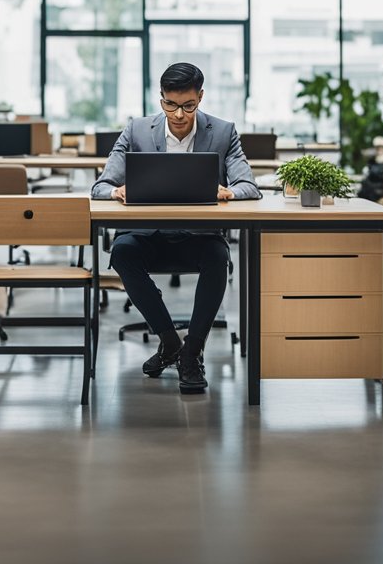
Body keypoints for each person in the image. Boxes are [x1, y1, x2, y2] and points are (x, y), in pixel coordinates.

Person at [91, 62, 261, 394]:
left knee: (218, 256)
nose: (179, 114)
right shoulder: (137, 130)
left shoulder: (223, 132)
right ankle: (170, 343)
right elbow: (100, 186)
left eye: (188, 105)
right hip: (147, 234)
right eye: (170, 104)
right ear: (161, 98)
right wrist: (116, 191)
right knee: (122, 252)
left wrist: (228, 192)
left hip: (198, 236)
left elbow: (249, 186)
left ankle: (192, 353)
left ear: (200, 97)